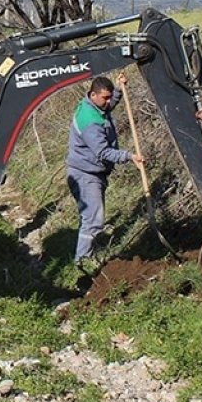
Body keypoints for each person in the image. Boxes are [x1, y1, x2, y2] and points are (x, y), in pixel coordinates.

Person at [66, 73, 143, 267]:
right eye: (105, 98)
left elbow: (109, 106)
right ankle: (82, 261)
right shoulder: (90, 121)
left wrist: (118, 90)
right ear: (93, 95)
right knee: (93, 219)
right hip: (85, 175)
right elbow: (102, 152)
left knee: (90, 216)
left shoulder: (94, 107)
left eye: (110, 97)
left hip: (91, 171)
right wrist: (129, 156)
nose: (108, 102)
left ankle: (85, 253)